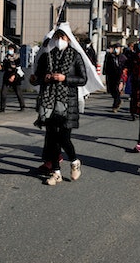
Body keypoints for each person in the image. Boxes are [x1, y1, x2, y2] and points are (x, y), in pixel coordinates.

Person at [34, 26, 87, 186]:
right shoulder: (47, 56)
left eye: (62, 38)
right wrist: (41, 78)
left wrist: (65, 78)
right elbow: (38, 76)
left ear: (69, 40)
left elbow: (83, 79)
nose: (59, 41)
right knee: (52, 139)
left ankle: (74, 161)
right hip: (49, 101)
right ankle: (56, 172)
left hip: (68, 102)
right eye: (57, 38)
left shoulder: (75, 56)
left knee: (63, 137)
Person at [0, 44, 25, 113]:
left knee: (18, 92)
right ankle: (2, 108)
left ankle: (22, 106)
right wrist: (0, 67)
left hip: (15, 77)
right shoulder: (6, 58)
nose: (10, 50)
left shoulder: (17, 58)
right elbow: (4, 68)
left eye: (11, 49)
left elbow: (19, 69)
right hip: (7, 76)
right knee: (3, 92)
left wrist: (14, 76)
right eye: (9, 49)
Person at [102, 43, 127, 112]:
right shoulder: (110, 56)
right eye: (115, 48)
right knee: (111, 90)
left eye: (117, 48)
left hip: (119, 76)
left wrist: (122, 78)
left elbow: (125, 67)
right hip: (110, 75)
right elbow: (106, 64)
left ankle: (116, 104)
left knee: (116, 90)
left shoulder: (123, 57)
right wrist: (105, 72)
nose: (116, 50)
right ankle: (118, 100)